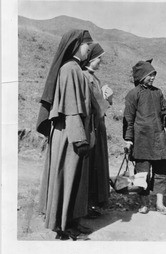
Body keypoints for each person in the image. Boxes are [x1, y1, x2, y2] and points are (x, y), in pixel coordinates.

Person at [36, 29, 94, 240]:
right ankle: (63, 227)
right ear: (77, 45)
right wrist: (80, 139)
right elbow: (71, 108)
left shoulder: (75, 69)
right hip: (69, 133)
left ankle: (70, 222)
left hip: (71, 131)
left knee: (73, 180)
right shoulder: (70, 69)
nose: (90, 49)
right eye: (88, 45)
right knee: (67, 178)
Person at [123, 59, 166, 215]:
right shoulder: (133, 95)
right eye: (149, 75)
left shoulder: (158, 92)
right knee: (142, 174)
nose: (153, 78)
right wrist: (128, 140)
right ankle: (144, 204)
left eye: (154, 75)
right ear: (141, 76)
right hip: (141, 140)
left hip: (159, 138)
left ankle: (160, 204)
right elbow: (129, 119)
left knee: (161, 172)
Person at [81, 43, 113, 218]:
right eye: (99, 57)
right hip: (91, 128)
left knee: (95, 165)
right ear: (91, 58)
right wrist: (108, 100)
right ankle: (85, 206)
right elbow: (96, 107)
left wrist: (108, 98)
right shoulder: (86, 77)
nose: (101, 61)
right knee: (90, 166)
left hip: (97, 127)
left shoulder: (94, 78)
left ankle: (91, 203)